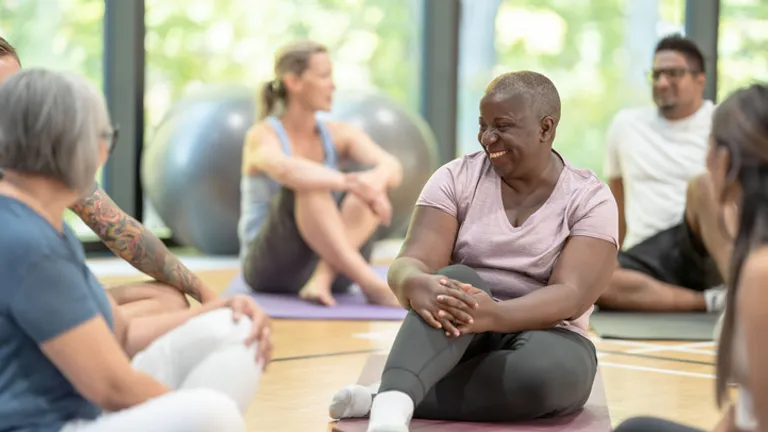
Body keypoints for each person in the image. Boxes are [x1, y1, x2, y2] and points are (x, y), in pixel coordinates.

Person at [327, 71, 619, 431]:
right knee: (453, 280)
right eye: (482, 125)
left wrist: (493, 315)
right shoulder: (455, 177)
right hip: (461, 324)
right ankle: (390, 413)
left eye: (503, 126)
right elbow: (412, 261)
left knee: (542, 378)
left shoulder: (591, 198)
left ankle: (380, 396)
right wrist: (412, 282)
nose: (487, 138)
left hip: (551, 332)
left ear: (545, 128)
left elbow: (570, 296)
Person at [0, 68, 272, 432]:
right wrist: (187, 412)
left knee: (234, 328)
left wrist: (217, 307)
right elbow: (113, 387)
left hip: (86, 404)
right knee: (213, 413)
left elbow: (121, 333)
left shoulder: (49, 223)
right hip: (57, 422)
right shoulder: (25, 241)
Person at [0, 36, 219, 320]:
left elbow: (121, 230)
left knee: (169, 299)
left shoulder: (41, 157)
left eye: (14, 93)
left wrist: (205, 294)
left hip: (43, 300)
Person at [612, 84, 768, 432]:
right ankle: (711, 299)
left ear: (725, 160)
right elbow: (744, 410)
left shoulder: (761, 272)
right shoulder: (754, 253)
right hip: (663, 253)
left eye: (709, 144)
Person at [239, 40, 402, 307]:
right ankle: (372, 284)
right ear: (294, 82)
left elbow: (392, 166)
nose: (333, 85)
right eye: (325, 76)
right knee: (309, 183)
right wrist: (352, 182)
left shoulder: (339, 133)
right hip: (271, 269)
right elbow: (287, 170)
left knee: (372, 184)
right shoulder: (261, 135)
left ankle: (322, 278)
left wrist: (371, 184)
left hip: (335, 268)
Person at [598, 34, 731, 313]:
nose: (661, 83)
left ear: (700, 79)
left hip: (702, 243)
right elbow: (617, 204)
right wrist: (608, 259)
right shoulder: (625, 125)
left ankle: (739, 289)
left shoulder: (723, 122)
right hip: (647, 253)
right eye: (656, 74)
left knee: (703, 184)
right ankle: (711, 301)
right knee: (593, 279)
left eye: (674, 74)